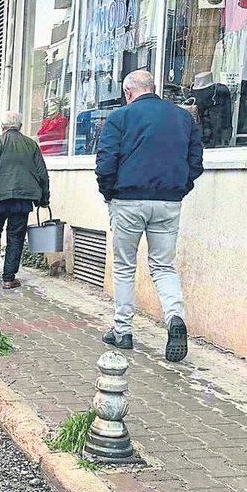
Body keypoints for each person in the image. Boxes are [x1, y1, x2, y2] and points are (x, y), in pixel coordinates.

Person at [95, 70, 203, 363]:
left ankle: (123, 331)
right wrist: (179, 189)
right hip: (168, 201)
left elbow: (106, 162)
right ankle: (174, 317)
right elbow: (196, 162)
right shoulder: (183, 118)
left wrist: (109, 193)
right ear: (153, 89)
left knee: (124, 266)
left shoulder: (120, 117)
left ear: (128, 92)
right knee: (163, 266)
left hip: (127, 199)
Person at [0, 111, 50, 290]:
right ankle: (9, 278)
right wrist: (44, 198)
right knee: (16, 236)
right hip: (22, 199)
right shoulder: (31, 145)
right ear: (20, 126)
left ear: (2, 126)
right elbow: (42, 174)